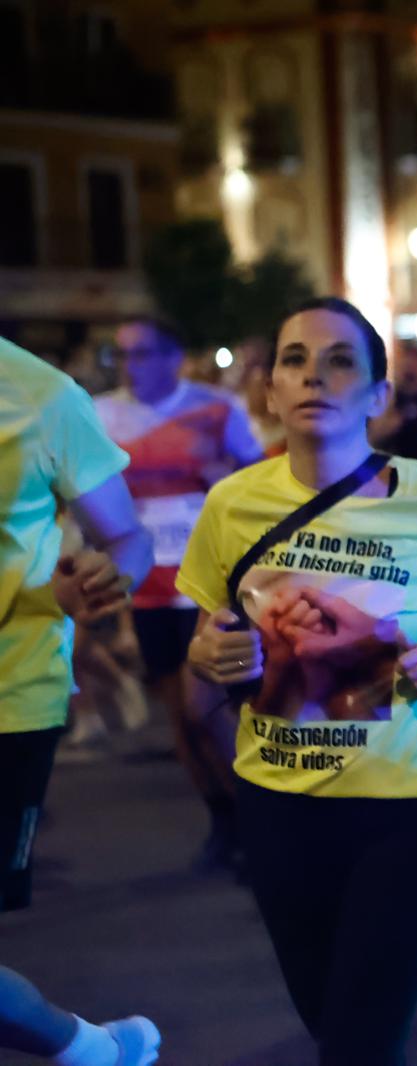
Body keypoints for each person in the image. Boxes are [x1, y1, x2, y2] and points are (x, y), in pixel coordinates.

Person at [178, 297, 417, 1064]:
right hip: (277, 801)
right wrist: (209, 657)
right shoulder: (231, 506)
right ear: (271, 390)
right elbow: (212, 630)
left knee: (361, 1039)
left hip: (409, 807)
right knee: (328, 1016)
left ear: (379, 395)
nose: (315, 375)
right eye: (294, 360)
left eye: (340, 360)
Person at [1, 335, 160, 1062]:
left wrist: (103, 575)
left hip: (9, 694)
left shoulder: (41, 395)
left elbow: (126, 535)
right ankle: (83, 1048)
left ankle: (81, 1046)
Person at [95, 316, 264, 870]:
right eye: (121, 355)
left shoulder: (215, 408)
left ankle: (258, 823)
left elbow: (258, 478)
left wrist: (228, 474)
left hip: (208, 580)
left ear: (172, 356)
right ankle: (224, 822)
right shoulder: (102, 415)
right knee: (181, 719)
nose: (130, 366)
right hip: (148, 586)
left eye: (141, 354)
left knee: (209, 708)